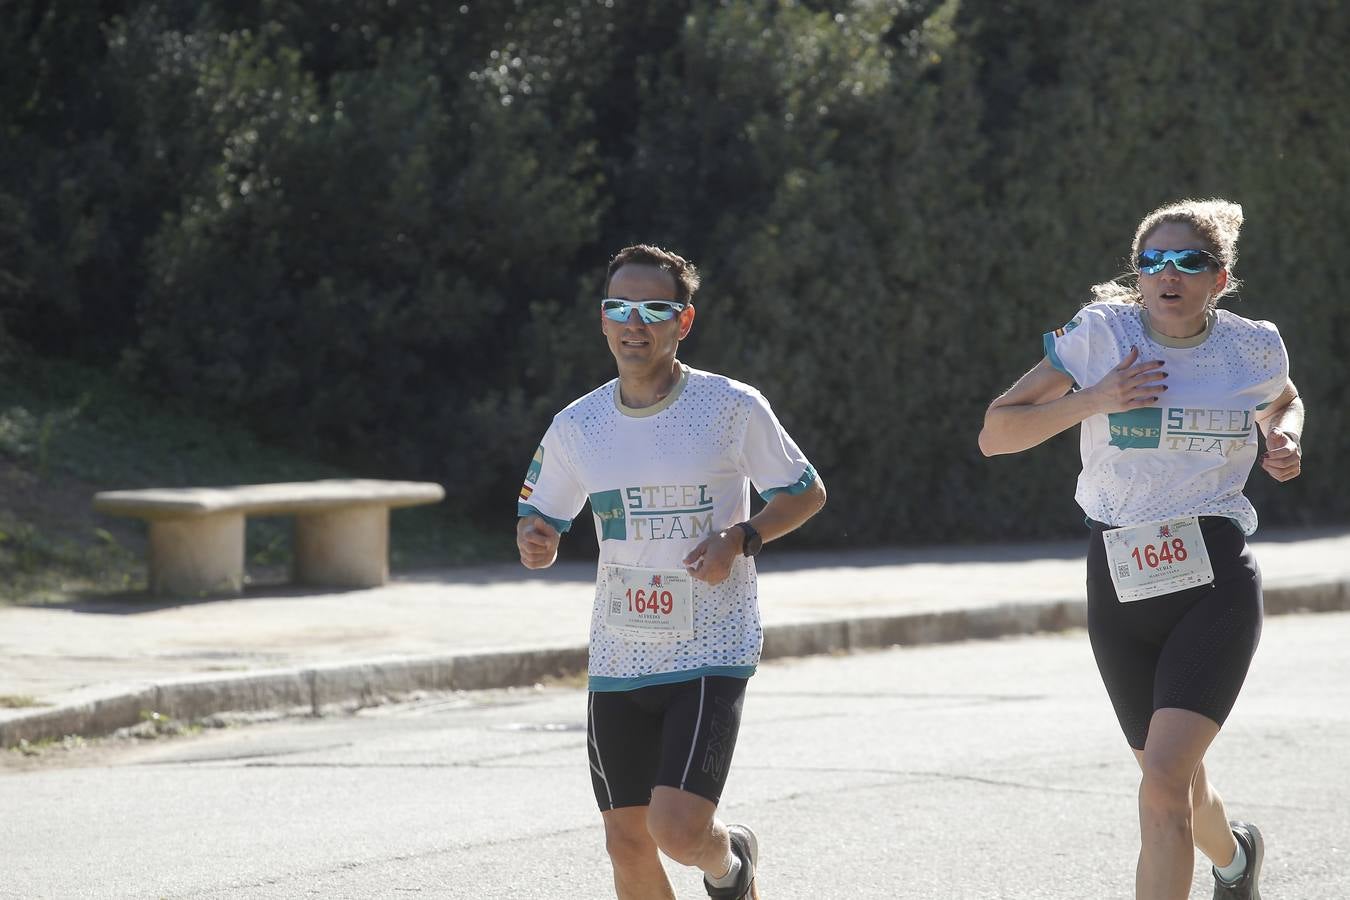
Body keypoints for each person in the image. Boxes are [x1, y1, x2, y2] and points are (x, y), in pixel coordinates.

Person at [978, 199, 1302, 900]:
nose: (1168, 274)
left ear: (1219, 279)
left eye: (1189, 261)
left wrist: (1284, 437)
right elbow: (996, 433)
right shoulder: (1102, 336)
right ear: (1138, 275)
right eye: (1152, 261)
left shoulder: (1252, 346)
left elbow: (1283, 399)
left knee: (1162, 784)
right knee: (1175, 783)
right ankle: (1237, 858)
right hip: (1120, 577)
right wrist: (1094, 400)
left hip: (1213, 575)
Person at [516, 244, 826, 900]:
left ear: (682, 322)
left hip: (711, 648)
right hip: (620, 652)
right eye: (619, 308)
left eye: (654, 309)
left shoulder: (730, 407)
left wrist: (743, 536)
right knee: (626, 840)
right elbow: (540, 513)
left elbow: (805, 492)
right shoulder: (578, 425)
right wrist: (536, 537)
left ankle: (729, 862)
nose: (635, 323)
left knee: (680, 832)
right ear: (603, 320)